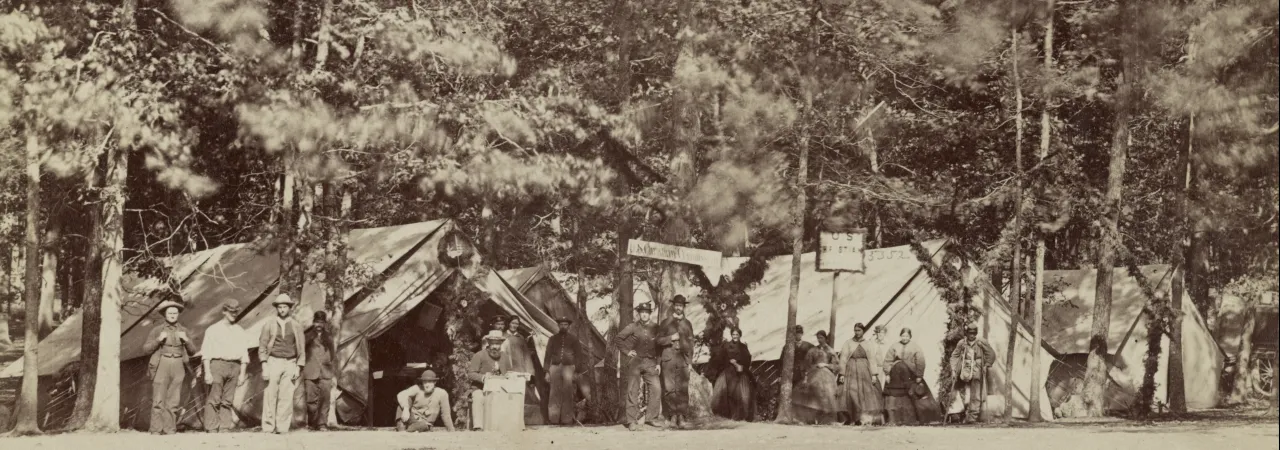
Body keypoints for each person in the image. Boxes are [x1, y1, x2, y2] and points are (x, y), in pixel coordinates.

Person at [615, 302, 675, 430]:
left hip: (651, 363)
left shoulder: (656, 328)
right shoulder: (632, 327)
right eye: (642, 312)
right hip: (635, 362)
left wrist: (658, 363)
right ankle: (631, 421)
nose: (644, 315)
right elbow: (619, 338)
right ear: (639, 314)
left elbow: (659, 346)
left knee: (656, 389)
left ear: (650, 314)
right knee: (632, 390)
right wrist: (627, 352)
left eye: (646, 312)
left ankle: (651, 418)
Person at [143, 297, 197, 434]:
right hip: (162, 363)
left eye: (175, 313)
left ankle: (169, 429)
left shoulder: (184, 330)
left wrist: (186, 340)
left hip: (178, 364)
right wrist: (158, 340)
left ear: (178, 314)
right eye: (169, 313)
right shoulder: (157, 330)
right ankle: (156, 429)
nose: (172, 316)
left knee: (173, 400)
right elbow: (146, 349)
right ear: (164, 315)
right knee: (158, 399)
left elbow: (192, 352)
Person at [258, 293, 307, 434]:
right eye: (280, 307)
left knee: (286, 396)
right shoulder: (269, 324)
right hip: (273, 361)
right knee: (270, 395)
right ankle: (268, 427)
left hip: (290, 362)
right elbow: (262, 345)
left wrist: (298, 367)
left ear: (289, 308)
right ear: (276, 308)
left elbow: (301, 348)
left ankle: (282, 427)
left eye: (285, 307)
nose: (282, 310)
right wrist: (264, 365)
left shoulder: (296, 326)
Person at [200, 300, 248, 433]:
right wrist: (207, 372)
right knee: (214, 398)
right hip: (217, 365)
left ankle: (224, 427)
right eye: (231, 312)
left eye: (236, 312)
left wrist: (242, 373)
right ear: (224, 312)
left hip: (235, 366)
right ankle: (211, 427)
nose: (234, 314)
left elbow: (244, 353)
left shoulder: (240, 330)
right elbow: (206, 352)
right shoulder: (213, 329)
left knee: (228, 399)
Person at [658, 295, 695, 428]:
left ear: (684, 307)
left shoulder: (687, 324)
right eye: (677, 305)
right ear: (674, 306)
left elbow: (691, 344)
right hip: (668, 358)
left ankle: (681, 417)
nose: (679, 308)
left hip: (683, 359)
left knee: (682, 388)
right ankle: (672, 416)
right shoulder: (665, 322)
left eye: (681, 305)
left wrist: (690, 362)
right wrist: (671, 338)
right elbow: (658, 340)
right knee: (669, 388)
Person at [838, 323, 885, 425]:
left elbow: (872, 359)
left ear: (863, 331)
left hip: (865, 370)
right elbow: (843, 358)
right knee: (851, 393)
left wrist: (873, 374)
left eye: (859, 330)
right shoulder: (848, 343)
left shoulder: (868, 343)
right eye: (855, 330)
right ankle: (851, 418)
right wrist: (842, 373)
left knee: (865, 394)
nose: (857, 332)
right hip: (850, 370)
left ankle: (861, 418)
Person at [949, 324, 995, 424]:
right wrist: (953, 370)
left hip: (977, 367)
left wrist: (986, 365)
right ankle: (957, 413)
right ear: (967, 333)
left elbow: (991, 354)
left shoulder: (981, 342)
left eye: (974, 334)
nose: (972, 336)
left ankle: (972, 417)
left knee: (976, 391)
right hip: (964, 366)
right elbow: (954, 356)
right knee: (958, 388)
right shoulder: (962, 343)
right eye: (970, 333)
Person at [793, 330, 841, 424]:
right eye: (818, 338)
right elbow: (807, 364)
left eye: (821, 338)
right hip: (814, 374)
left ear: (825, 338)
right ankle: (810, 418)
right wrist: (809, 372)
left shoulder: (830, 351)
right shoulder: (813, 350)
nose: (819, 340)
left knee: (826, 396)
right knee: (812, 395)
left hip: (827, 376)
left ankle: (826, 419)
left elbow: (837, 366)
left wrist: (825, 365)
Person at [544, 316, 585, 425]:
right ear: (558, 325)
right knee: (554, 393)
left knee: (568, 393)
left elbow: (579, 356)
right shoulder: (552, 339)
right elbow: (547, 355)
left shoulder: (574, 339)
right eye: (561, 324)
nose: (563, 326)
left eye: (565, 324)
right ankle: (553, 419)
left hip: (569, 367)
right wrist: (547, 371)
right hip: (555, 367)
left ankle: (566, 419)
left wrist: (577, 371)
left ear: (569, 326)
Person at [882, 327, 928, 425]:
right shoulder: (894, 346)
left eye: (907, 336)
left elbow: (920, 361)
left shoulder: (915, 347)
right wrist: (887, 374)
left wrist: (919, 375)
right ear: (900, 336)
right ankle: (894, 419)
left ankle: (913, 420)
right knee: (894, 396)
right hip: (895, 376)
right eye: (903, 336)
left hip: (910, 375)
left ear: (910, 336)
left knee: (912, 395)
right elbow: (887, 360)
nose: (905, 338)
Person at [709, 327, 755, 421]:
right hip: (728, 372)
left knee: (741, 393)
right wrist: (729, 362)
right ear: (731, 335)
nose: (735, 336)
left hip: (739, 372)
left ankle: (740, 415)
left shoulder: (743, 346)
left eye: (737, 335)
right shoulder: (726, 346)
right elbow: (720, 358)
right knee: (727, 393)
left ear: (740, 336)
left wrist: (739, 363)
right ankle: (728, 415)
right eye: (733, 334)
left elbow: (747, 359)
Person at [303, 310, 335, 430]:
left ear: (325, 324)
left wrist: (329, 368)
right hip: (310, 371)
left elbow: (332, 355)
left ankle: (322, 424)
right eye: (317, 322)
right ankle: (312, 422)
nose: (319, 325)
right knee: (310, 400)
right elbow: (301, 352)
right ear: (313, 322)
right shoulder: (307, 335)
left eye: (321, 322)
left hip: (325, 372)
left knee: (325, 399)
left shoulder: (329, 336)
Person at [467, 330, 506, 430]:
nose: (495, 346)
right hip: (480, 388)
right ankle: (478, 426)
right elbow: (470, 374)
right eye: (492, 343)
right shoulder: (479, 355)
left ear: (501, 344)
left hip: (499, 388)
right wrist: (483, 377)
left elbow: (508, 372)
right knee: (478, 397)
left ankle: (505, 425)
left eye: (497, 344)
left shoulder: (505, 357)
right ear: (488, 343)